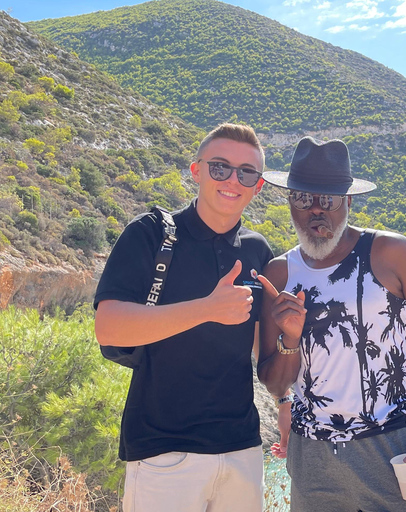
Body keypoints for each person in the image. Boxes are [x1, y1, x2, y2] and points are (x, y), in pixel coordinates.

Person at [256, 136, 406, 512]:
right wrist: (290, 339)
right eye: (303, 198)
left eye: (328, 199)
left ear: (348, 202)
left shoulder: (392, 253)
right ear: (289, 202)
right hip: (312, 456)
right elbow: (273, 380)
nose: (316, 211)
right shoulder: (279, 274)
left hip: (395, 448)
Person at [93, 123, 273, 512]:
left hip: (242, 448)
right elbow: (108, 325)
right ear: (196, 171)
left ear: (258, 187)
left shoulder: (258, 251)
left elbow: (262, 343)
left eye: (247, 173)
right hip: (163, 451)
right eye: (220, 167)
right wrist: (207, 308)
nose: (233, 180)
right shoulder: (151, 234)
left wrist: (288, 396)